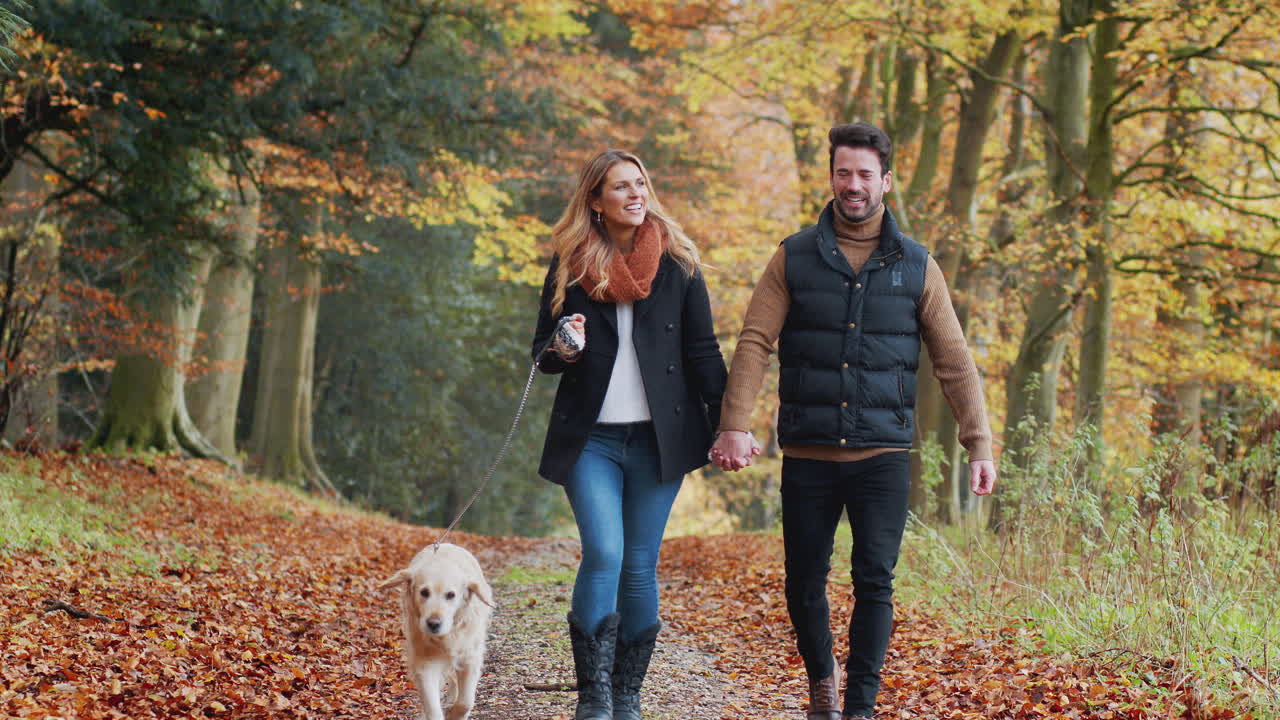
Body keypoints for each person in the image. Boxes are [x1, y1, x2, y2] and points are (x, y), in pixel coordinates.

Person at [709, 121, 997, 720]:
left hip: (882, 456)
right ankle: (822, 682)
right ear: (832, 177)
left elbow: (954, 361)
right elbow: (756, 339)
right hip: (810, 453)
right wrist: (734, 423)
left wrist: (980, 444)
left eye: (866, 174)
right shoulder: (793, 256)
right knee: (803, 582)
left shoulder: (917, 266)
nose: (854, 185)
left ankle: (861, 706)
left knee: (875, 583)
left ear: (885, 181)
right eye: (844, 172)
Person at [530, 149, 727, 720]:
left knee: (639, 564)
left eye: (640, 183)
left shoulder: (679, 264)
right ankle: (593, 698)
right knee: (605, 552)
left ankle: (627, 697)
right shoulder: (570, 265)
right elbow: (543, 355)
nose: (635, 194)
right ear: (596, 201)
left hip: (659, 440)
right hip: (591, 439)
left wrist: (729, 423)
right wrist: (562, 347)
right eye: (620, 187)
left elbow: (702, 353)